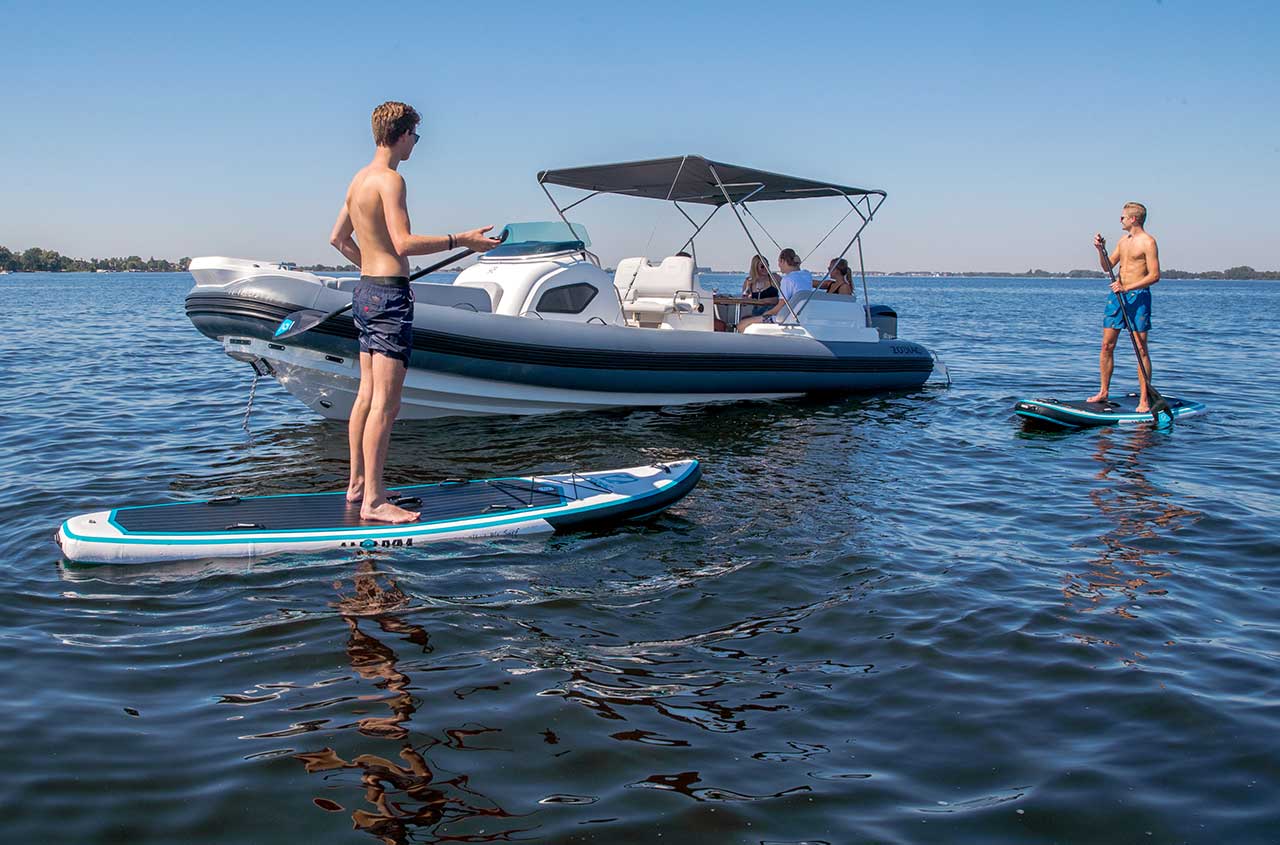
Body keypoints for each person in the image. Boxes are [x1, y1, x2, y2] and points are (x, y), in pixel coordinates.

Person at [329, 101, 501, 523]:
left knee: (365, 396)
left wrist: (370, 265)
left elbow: (337, 238)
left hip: (366, 292)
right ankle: (373, 501)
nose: (416, 145)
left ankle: (356, 486)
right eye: (416, 137)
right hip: (388, 297)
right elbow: (403, 243)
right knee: (386, 403)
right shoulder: (390, 181)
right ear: (403, 135)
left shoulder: (358, 180)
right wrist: (462, 240)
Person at [1087, 201, 1160, 412]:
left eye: (1123, 217)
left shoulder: (1148, 242)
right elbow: (1107, 267)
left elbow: (1154, 275)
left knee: (1140, 348)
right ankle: (1103, 391)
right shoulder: (1123, 241)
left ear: (1133, 219)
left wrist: (1127, 287)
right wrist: (1100, 250)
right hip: (1117, 296)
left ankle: (1145, 399)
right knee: (1107, 345)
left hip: (1138, 296)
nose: (1120, 220)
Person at [737, 248, 812, 332]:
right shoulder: (807, 274)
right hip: (801, 317)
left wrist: (766, 314)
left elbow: (781, 306)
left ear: (783, 261)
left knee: (741, 325)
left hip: (784, 318)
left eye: (779, 262)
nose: (778, 265)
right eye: (762, 266)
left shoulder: (786, 279)